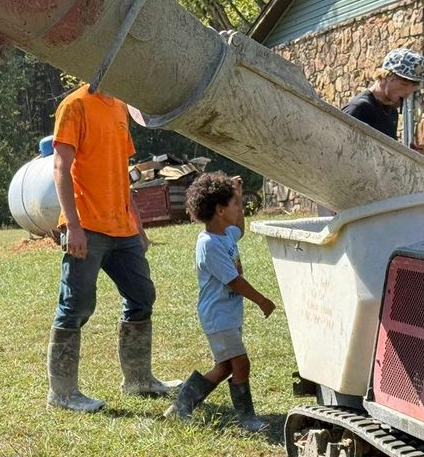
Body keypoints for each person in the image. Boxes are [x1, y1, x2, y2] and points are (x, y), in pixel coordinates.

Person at [47, 83, 178, 412]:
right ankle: (62, 394)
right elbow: (60, 168)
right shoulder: (75, 105)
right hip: (86, 227)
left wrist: (138, 226)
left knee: (142, 295)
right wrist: (73, 226)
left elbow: (121, 173)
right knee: (75, 306)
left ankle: (138, 380)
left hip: (122, 228)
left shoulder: (120, 107)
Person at [165, 172, 275, 431]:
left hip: (228, 314)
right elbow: (234, 281)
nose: (239, 208)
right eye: (235, 204)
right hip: (218, 316)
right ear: (219, 209)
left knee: (224, 366)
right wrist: (261, 300)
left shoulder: (225, 235)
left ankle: (181, 407)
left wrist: (237, 194)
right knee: (241, 363)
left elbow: (241, 229)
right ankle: (247, 419)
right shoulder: (209, 245)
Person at [342, 48, 424, 146]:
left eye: (413, 86)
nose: (408, 92)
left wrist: (406, 154)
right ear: (384, 76)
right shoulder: (360, 109)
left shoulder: (391, 113)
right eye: (404, 84)